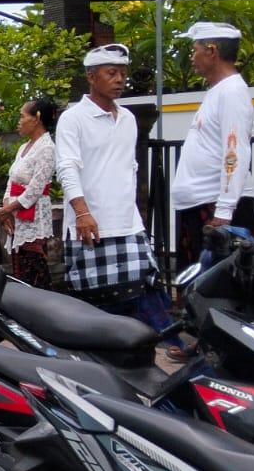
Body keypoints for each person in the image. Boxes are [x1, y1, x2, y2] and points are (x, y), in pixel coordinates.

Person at [55, 43, 172, 330]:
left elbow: (129, 171)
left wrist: (136, 218)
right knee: (97, 311)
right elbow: (67, 168)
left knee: (147, 300)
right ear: (91, 76)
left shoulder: (129, 119)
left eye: (123, 73)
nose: (120, 79)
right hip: (91, 227)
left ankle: (166, 346)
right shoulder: (72, 119)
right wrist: (82, 213)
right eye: (111, 73)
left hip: (129, 227)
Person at [170, 20, 254, 274]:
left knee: (215, 286)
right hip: (202, 205)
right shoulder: (218, 91)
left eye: (195, 49)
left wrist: (224, 210)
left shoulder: (232, 93)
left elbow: (235, 151)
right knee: (195, 286)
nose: (192, 56)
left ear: (212, 51)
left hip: (214, 208)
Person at [0, 98, 59, 287]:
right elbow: (11, 180)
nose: (19, 121)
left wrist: (7, 210)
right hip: (15, 213)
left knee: (34, 267)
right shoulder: (23, 147)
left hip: (32, 215)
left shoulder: (47, 148)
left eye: (22, 116)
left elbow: (35, 189)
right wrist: (7, 207)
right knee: (19, 266)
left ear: (36, 118)